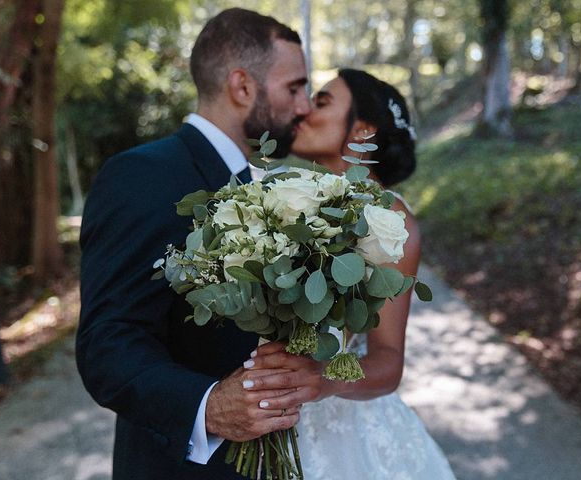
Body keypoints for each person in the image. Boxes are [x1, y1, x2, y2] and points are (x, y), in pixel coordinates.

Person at [76, 9, 319, 480]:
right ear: (242, 86)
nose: (305, 105)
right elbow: (107, 343)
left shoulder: (276, 187)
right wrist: (206, 407)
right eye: (295, 87)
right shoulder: (142, 176)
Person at [246, 69, 457, 478]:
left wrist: (321, 378)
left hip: (341, 439)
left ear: (361, 130)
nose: (302, 110)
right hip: (258, 417)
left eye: (321, 102)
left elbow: (387, 361)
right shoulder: (277, 194)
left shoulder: (389, 221)